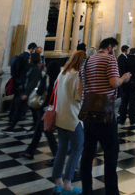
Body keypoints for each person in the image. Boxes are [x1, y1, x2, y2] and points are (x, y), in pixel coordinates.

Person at [80, 37, 131, 195]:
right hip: (105, 111)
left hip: (88, 110)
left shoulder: (87, 60)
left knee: (87, 153)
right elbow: (114, 83)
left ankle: (86, 190)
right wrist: (124, 78)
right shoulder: (110, 59)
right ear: (110, 47)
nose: (114, 52)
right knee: (111, 153)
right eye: (114, 49)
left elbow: (81, 88)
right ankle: (111, 192)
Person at [51, 52, 84, 194]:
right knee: (77, 150)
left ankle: (57, 180)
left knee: (62, 149)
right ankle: (67, 183)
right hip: (73, 118)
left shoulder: (62, 73)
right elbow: (78, 97)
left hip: (60, 117)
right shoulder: (77, 76)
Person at [23, 60, 59, 159]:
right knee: (41, 131)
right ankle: (30, 151)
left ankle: (56, 155)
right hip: (52, 107)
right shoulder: (59, 80)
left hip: (43, 107)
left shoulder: (46, 78)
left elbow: (39, 91)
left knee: (46, 131)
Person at [9, 52, 42, 131]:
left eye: (30, 58)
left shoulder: (35, 69)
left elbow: (32, 83)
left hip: (29, 93)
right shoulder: (32, 67)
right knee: (29, 110)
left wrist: (26, 93)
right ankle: (13, 125)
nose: (29, 59)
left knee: (26, 110)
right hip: (27, 92)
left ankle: (37, 127)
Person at [6, 42, 36, 130]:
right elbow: (22, 71)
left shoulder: (20, 56)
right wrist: (20, 81)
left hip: (18, 82)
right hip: (21, 83)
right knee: (18, 102)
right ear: (32, 49)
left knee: (17, 101)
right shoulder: (26, 57)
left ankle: (13, 117)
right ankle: (15, 117)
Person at [118, 48, 135, 126]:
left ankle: (122, 120)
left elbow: (121, 70)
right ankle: (133, 121)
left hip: (125, 83)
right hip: (133, 84)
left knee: (124, 102)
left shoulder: (125, 59)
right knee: (132, 103)